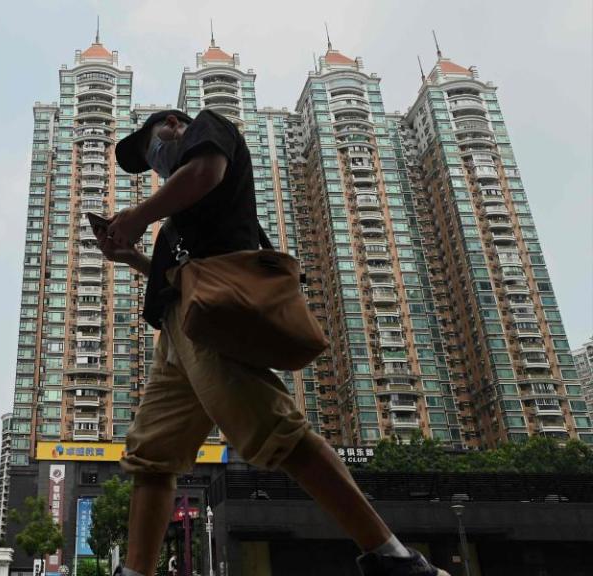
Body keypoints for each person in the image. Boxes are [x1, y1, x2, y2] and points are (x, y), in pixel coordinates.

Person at [101, 108, 448, 576]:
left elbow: (206, 171)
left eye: (150, 149)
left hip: (213, 321)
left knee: (276, 432)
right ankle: (136, 571)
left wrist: (139, 215)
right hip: (176, 333)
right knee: (151, 457)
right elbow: (177, 280)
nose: (154, 162)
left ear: (171, 124)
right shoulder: (174, 221)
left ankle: (395, 560)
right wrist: (133, 257)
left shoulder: (207, 129)